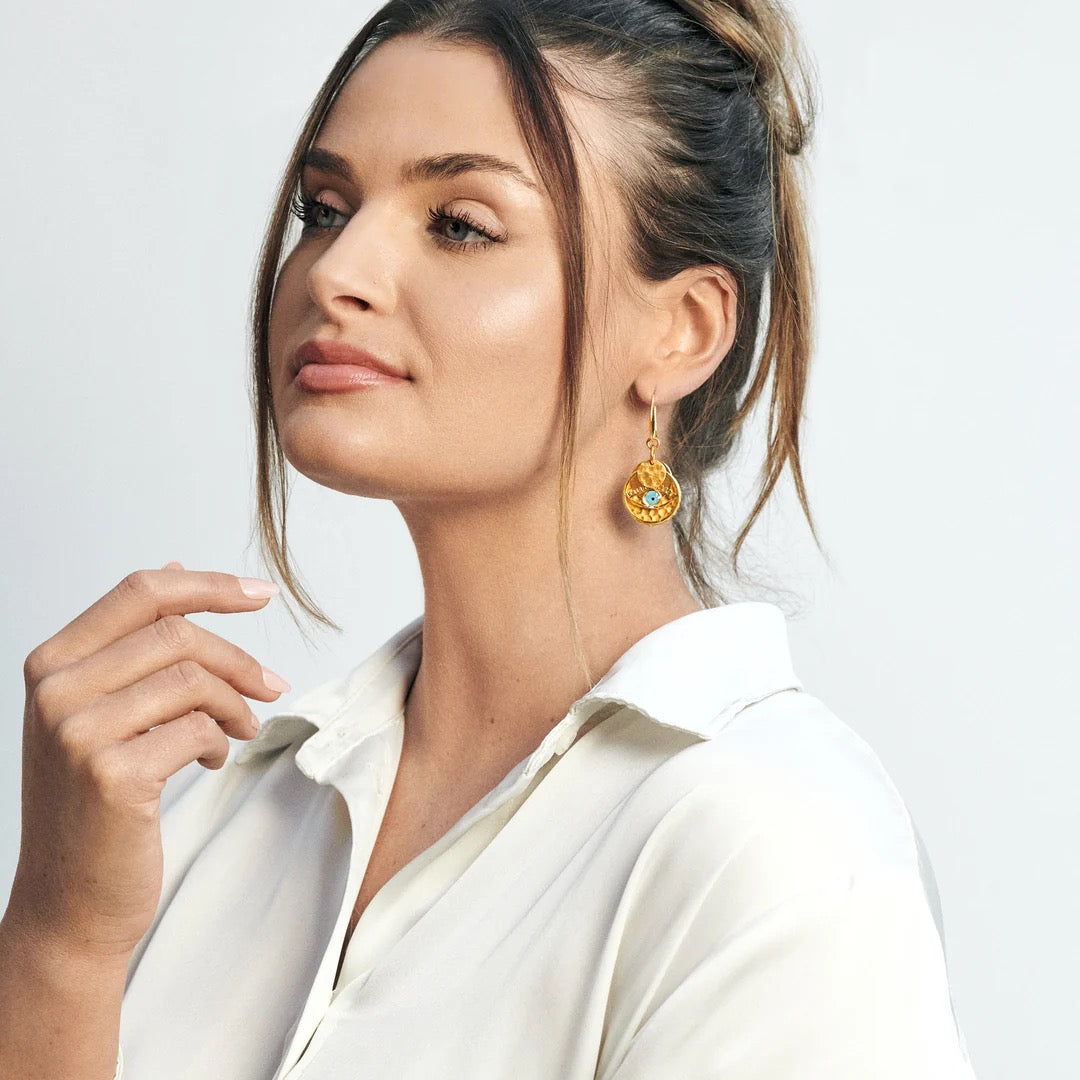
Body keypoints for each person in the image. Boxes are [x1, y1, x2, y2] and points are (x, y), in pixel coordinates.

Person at [0, 1, 979, 1077]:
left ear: (681, 329)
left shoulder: (775, 851)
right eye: (325, 208)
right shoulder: (222, 805)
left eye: (459, 223)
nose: (334, 273)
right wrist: (60, 942)